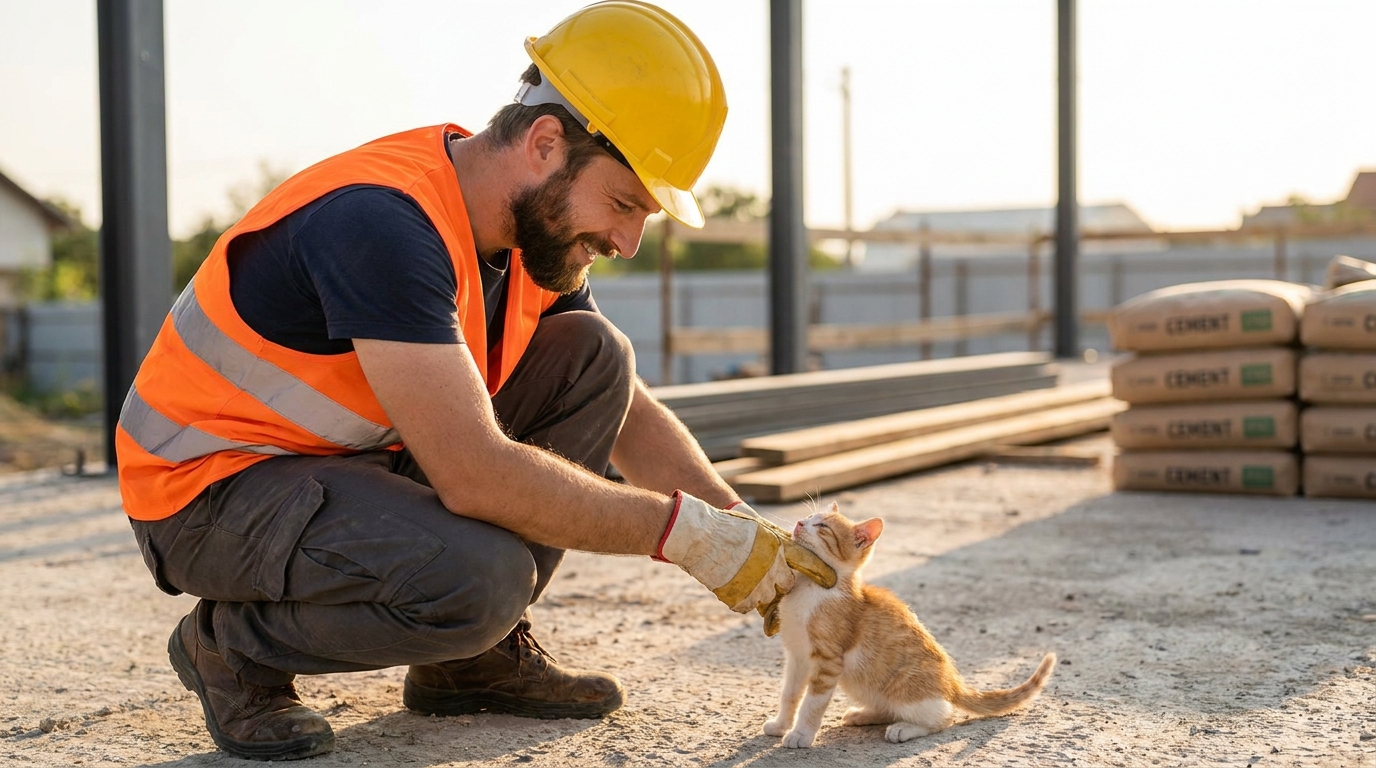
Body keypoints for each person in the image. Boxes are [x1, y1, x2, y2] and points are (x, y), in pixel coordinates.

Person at [116, 1, 833, 761]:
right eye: (624, 204)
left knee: (595, 354)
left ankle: (467, 664)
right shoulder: (383, 223)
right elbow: (473, 476)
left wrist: (743, 528)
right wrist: (687, 536)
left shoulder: (527, 233)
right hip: (204, 493)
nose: (627, 241)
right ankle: (230, 647)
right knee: (479, 584)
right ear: (546, 143)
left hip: (329, 470)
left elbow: (626, 414)